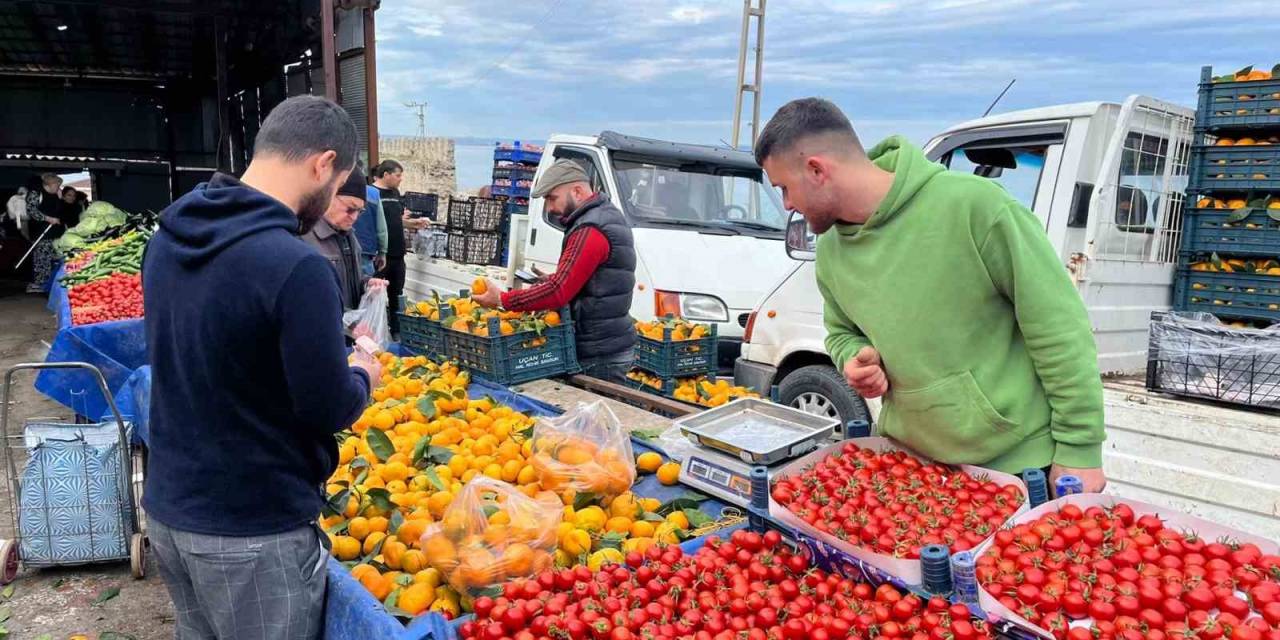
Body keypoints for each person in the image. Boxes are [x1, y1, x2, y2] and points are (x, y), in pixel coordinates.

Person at [753, 97, 1106, 491]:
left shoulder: (977, 207)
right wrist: (854, 359)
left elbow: (1059, 329)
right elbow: (840, 332)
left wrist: (1080, 449)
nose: (786, 205)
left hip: (1015, 469)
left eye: (784, 188)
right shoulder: (832, 250)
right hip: (911, 467)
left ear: (816, 169)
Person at [142, 95, 381, 640]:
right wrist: (364, 373)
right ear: (323, 165)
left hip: (172, 508)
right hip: (251, 528)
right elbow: (326, 406)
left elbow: (219, 346)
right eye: (338, 181)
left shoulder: (168, 240)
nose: (326, 208)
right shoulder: (295, 266)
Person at [473, 159, 637, 383]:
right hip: (608, 343)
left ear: (577, 191)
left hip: (599, 352)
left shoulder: (590, 229)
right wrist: (552, 278)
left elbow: (559, 291)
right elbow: (598, 279)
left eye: (552, 198)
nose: (549, 208)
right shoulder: (605, 216)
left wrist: (503, 299)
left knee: (596, 417)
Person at [302, 167, 388, 311]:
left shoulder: (349, 236)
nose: (354, 217)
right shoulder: (303, 238)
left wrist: (367, 284)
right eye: (350, 208)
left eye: (360, 211)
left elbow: (350, 282)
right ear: (328, 196)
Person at [371, 160, 427, 338]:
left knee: (397, 295)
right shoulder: (372, 193)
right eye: (397, 175)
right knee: (374, 297)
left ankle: (397, 333)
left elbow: (396, 219)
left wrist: (413, 223)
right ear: (386, 174)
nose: (400, 179)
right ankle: (374, 333)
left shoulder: (395, 193)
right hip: (379, 255)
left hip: (398, 254)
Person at [24, 173, 63, 293]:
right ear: (49, 185)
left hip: (54, 232)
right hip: (41, 232)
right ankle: (38, 284)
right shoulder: (36, 193)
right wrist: (48, 218)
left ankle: (49, 284)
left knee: (53, 259)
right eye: (57, 185)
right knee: (42, 259)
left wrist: (60, 198)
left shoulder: (56, 194)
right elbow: (31, 210)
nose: (59, 187)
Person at [352, 177, 388, 278]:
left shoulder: (336, 188)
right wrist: (382, 252)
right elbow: (381, 227)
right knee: (366, 287)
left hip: (342, 247)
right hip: (366, 250)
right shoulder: (373, 193)